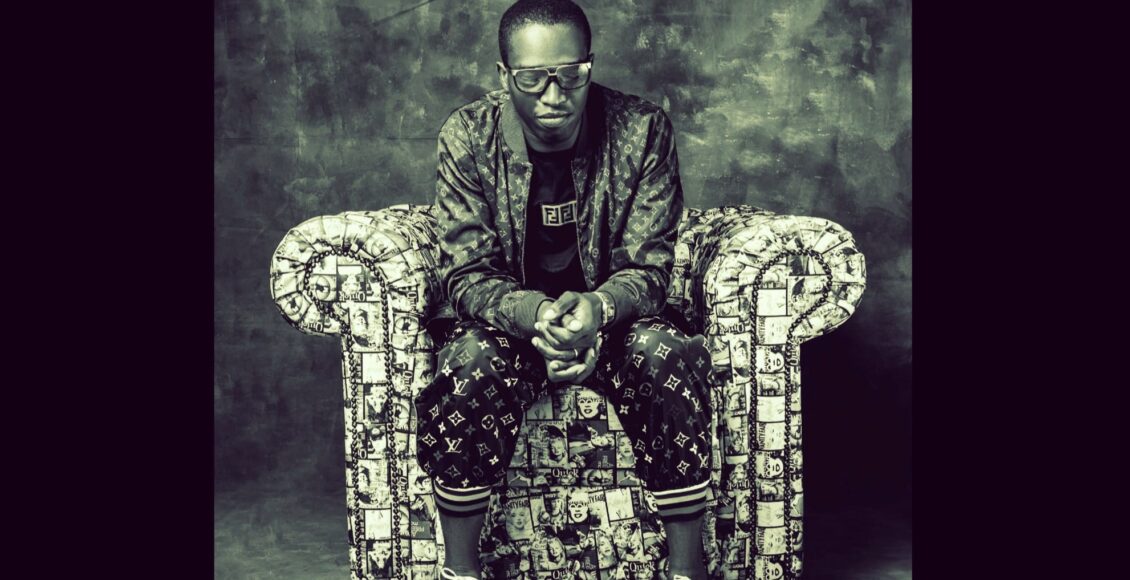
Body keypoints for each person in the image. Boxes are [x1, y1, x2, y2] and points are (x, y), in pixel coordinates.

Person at [415, 2, 712, 579]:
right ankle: (460, 571)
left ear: (589, 65)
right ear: (504, 75)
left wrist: (597, 309)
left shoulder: (642, 129)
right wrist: (539, 315)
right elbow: (467, 272)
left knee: (665, 351)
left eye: (571, 74)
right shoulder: (468, 136)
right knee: (469, 360)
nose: (554, 95)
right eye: (533, 78)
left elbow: (649, 268)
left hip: (616, 326)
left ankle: (687, 570)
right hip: (512, 331)